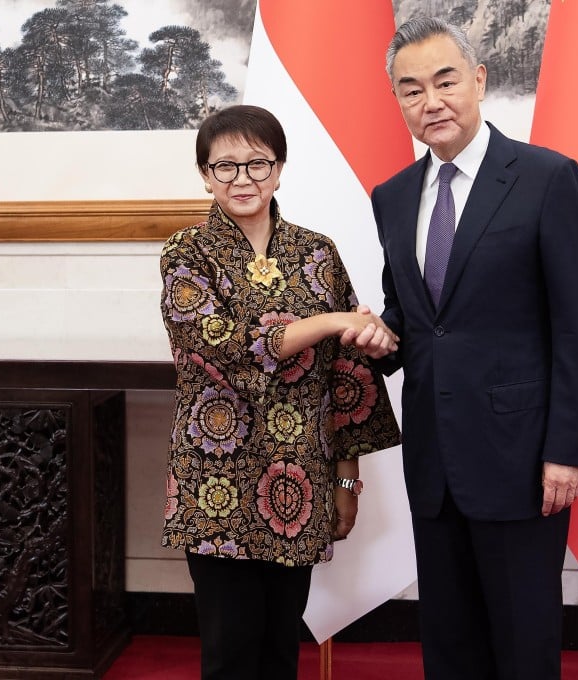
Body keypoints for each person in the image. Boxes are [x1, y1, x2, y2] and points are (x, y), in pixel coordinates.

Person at [346, 17, 578, 680]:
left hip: (522, 461)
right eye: (411, 90)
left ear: (480, 80)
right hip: (434, 460)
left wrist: (567, 450)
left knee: (522, 643)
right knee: (450, 641)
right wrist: (379, 336)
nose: (430, 102)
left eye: (445, 81)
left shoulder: (549, 179)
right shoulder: (393, 197)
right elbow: (415, 320)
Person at [159, 104, 401, 680]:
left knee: (280, 651)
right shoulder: (186, 253)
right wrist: (328, 321)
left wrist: (345, 481)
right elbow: (225, 345)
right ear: (204, 174)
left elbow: (348, 383)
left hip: (300, 481)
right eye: (225, 167)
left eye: (257, 164)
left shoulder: (317, 253)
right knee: (229, 650)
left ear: (280, 168)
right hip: (216, 482)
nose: (242, 179)